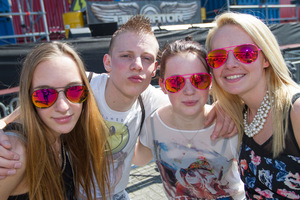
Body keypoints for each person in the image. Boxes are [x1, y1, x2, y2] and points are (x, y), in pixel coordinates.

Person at [0, 15, 236, 199]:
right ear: (107, 62)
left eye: (146, 58)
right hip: (71, 191)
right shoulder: (80, 87)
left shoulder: (152, 99)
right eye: (126, 56)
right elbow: (16, 117)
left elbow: (191, 105)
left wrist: (227, 108)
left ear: (154, 71)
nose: (136, 65)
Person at [132, 38, 245, 199]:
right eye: (176, 82)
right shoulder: (154, 124)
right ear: (163, 86)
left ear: (210, 82)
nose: (189, 90)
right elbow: (140, 158)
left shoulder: (228, 122)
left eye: (199, 80)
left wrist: (234, 104)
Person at [205, 12, 300, 199]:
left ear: (266, 59)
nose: (230, 64)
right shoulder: (239, 112)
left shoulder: (295, 112)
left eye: (245, 53)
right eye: (218, 57)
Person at [0, 41, 111, 199]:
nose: (63, 106)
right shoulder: (15, 153)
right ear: (29, 97)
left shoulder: (61, 130)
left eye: (74, 91)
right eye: (45, 95)